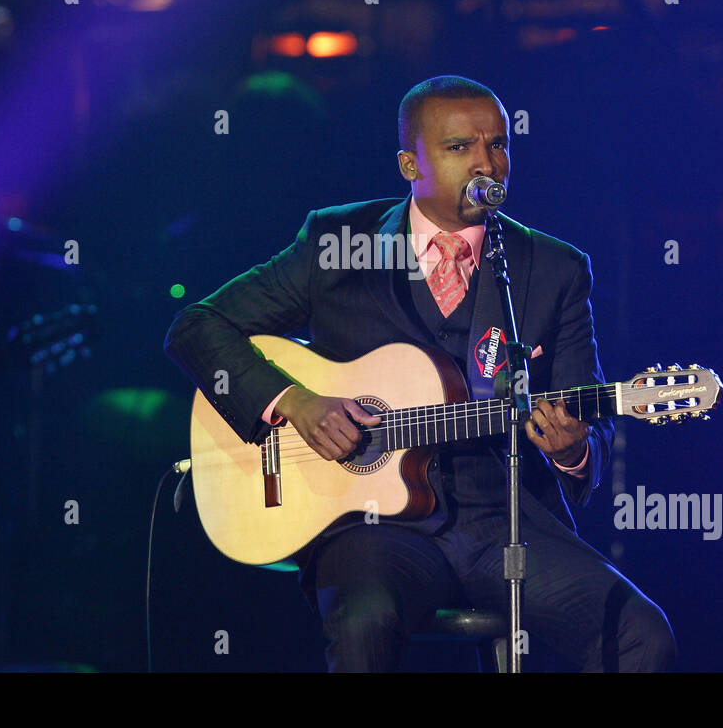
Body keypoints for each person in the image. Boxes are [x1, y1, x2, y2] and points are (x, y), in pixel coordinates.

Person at [164, 75, 675, 672]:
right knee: (363, 622)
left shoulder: (556, 269)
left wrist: (572, 451)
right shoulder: (338, 242)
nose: (488, 163)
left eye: (499, 145)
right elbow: (196, 327)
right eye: (461, 147)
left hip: (505, 522)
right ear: (411, 163)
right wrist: (295, 401)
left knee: (642, 634)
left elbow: (586, 431)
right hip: (371, 529)